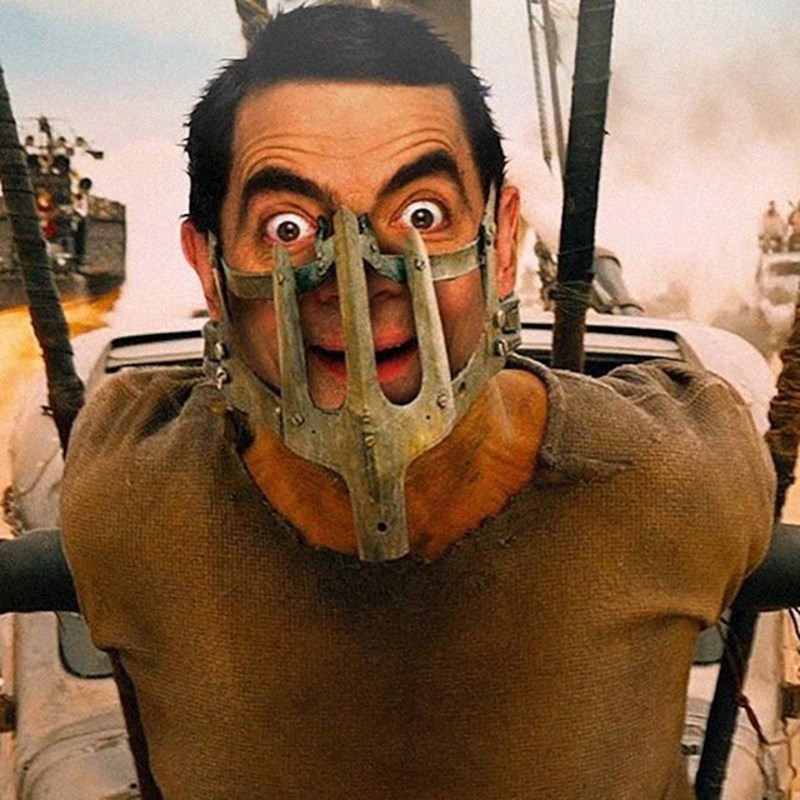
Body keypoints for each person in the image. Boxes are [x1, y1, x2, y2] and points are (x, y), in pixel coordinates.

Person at [50, 6, 774, 799]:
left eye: (421, 215)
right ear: (210, 270)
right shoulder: (134, 501)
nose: (358, 282)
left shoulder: (670, 480)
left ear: (501, 243)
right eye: (288, 228)